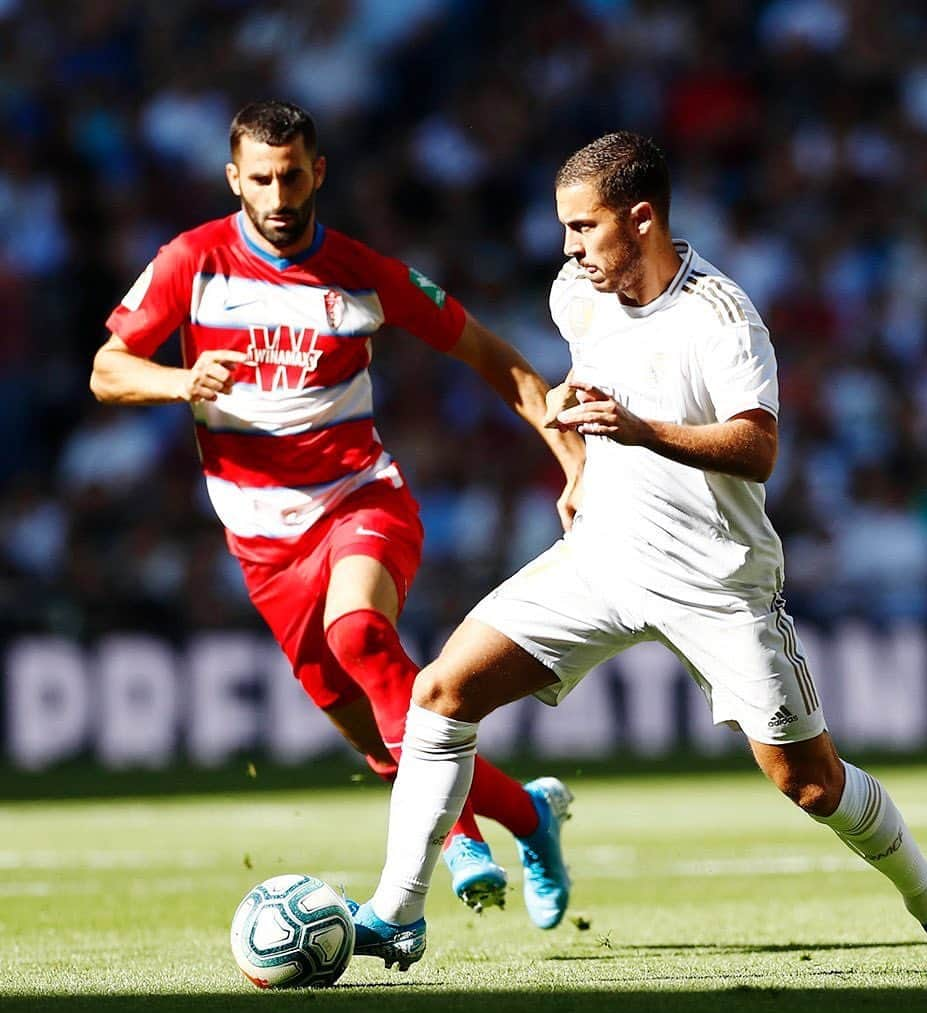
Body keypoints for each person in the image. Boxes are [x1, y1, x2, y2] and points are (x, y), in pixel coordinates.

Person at [347, 131, 927, 975]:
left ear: (643, 218)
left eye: (584, 228)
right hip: (602, 557)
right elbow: (585, 384)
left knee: (811, 784)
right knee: (442, 692)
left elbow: (759, 449)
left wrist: (640, 432)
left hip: (715, 580)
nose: (568, 247)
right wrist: (584, 456)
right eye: (565, 229)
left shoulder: (722, 318)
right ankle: (397, 912)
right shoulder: (574, 296)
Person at [90, 100, 584, 931]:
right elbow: (108, 369)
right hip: (262, 544)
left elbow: (487, 353)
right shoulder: (191, 262)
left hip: (361, 501)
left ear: (318, 172)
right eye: (260, 179)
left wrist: (570, 457)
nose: (278, 196)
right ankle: (530, 816)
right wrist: (182, 382)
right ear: (233, 180)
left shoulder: (363, 274)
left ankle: (457, 844)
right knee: (379, 741)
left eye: (292, 176)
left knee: (360, 637)